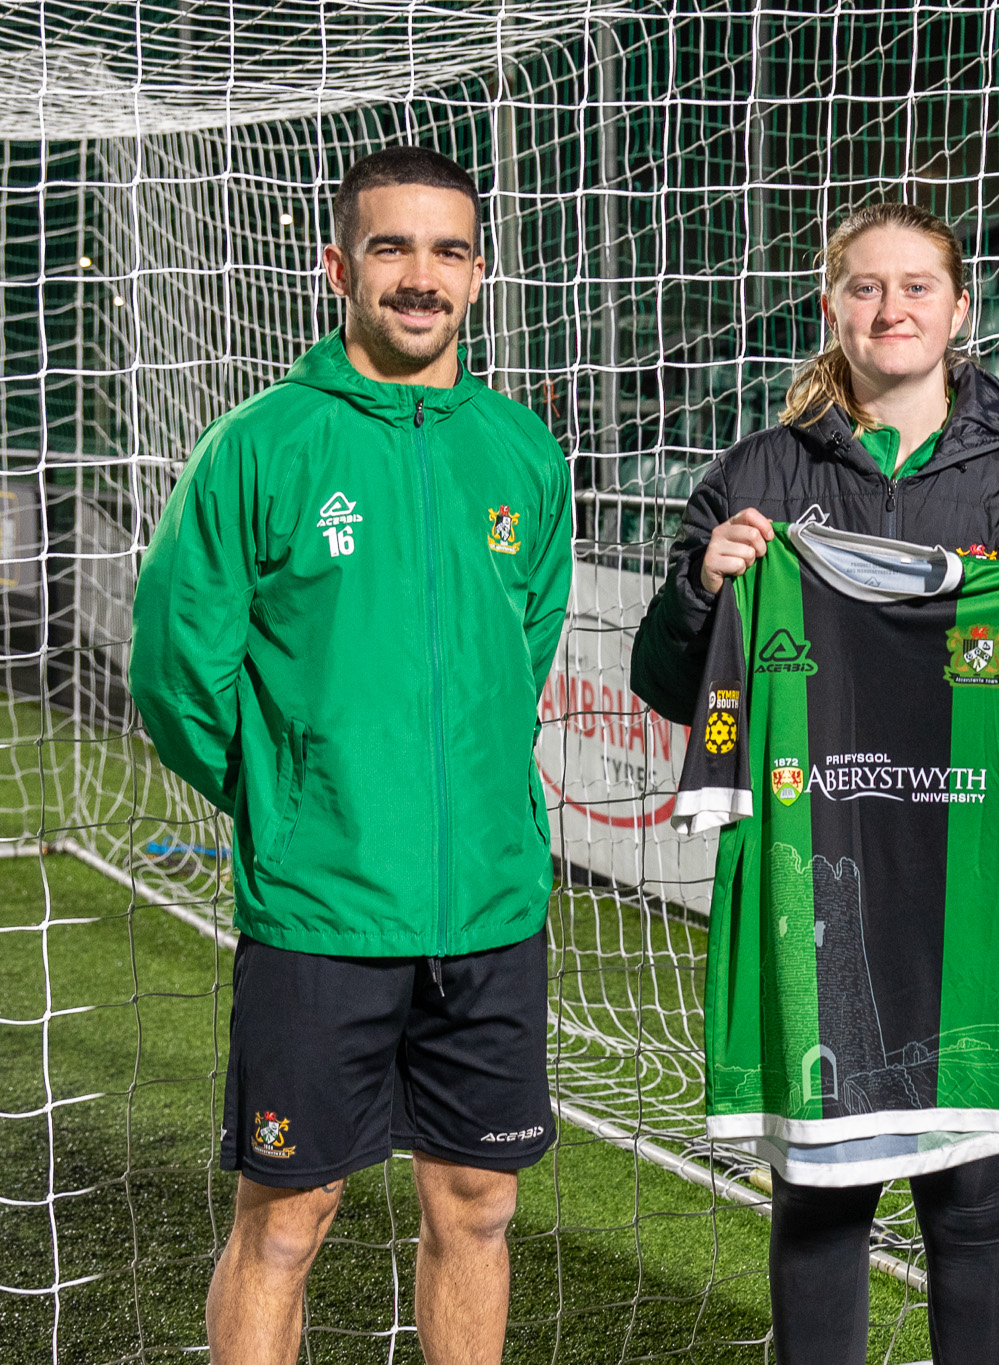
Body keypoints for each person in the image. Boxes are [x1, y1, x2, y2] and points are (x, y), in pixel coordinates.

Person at [629, 201, 999, 1363]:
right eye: (865, 286)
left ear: (959, 310)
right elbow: (666, 681)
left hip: (976, 907)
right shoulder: (757, 476)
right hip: (822, 896)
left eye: (917, 287)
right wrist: (701, 592)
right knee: (819, 1200)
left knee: (975, 1204)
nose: (891, 308)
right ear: (830, 307)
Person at [130, 146, 572, 1365]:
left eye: (448, 251)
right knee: (288, 1217)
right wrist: (289, 793)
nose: (420, 276)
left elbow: (524, 649)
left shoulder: (523, 453)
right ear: (337, 267)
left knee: (477, 1205)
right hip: (322, 909)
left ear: (477, 274)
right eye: (391, 247)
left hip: (489, 907)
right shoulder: (260, 446)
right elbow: (176, 668)